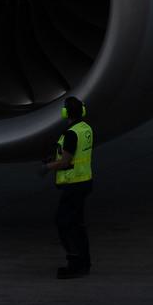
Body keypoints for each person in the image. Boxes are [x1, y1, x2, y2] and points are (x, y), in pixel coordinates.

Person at [44, 96, 94, 279]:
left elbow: (66, 161)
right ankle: (85, 262)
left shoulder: (71, 133)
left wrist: (47, 167)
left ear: (65, 112)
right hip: (85, 180)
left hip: (73, 184)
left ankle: (74, 263)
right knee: (78, 224)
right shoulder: (85, 129)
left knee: (64, 223)